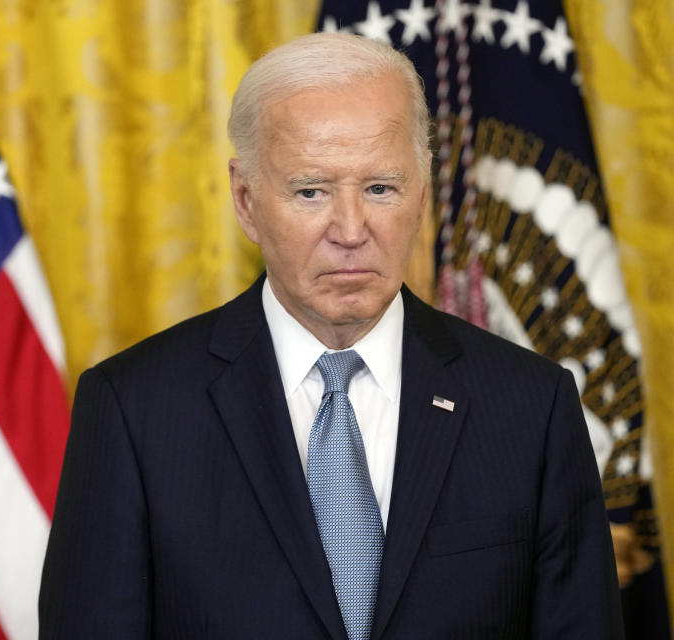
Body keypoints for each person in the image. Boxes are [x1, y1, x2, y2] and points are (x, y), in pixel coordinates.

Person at [39, 32, 623, 639]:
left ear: (421, 197)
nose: (350, 230)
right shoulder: (133, 409)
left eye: (379, 188)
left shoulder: (532, 406)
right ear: (246, 201)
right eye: (311, 190)